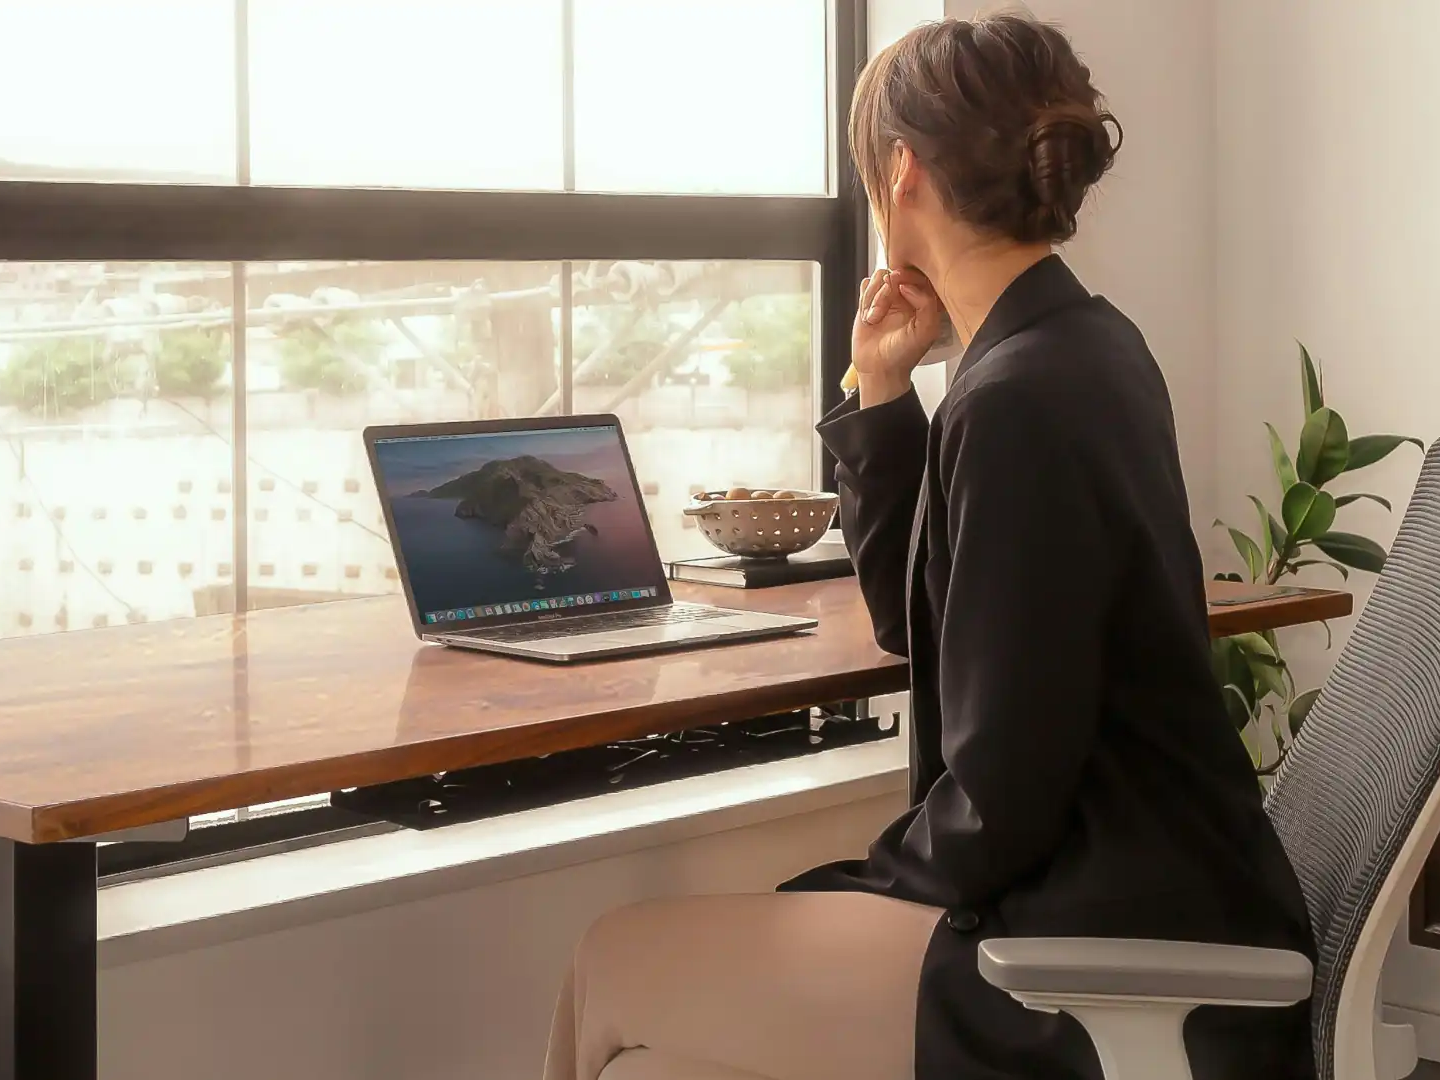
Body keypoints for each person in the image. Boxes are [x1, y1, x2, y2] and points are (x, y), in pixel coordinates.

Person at [542, 14, 1317, 1080]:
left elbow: (1002, 796)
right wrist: (883, 390)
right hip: (1144, 885)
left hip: (1079, 947)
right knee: (705, 989)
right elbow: (931, 628)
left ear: (901, 172)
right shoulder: (1081, 347)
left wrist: (866, 882)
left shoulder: (1020, 399)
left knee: (610, 960)